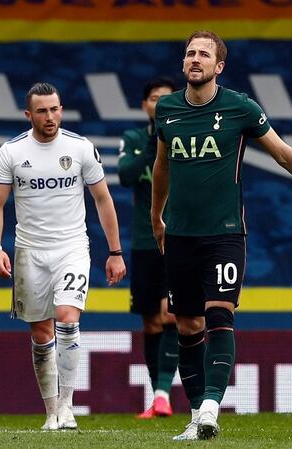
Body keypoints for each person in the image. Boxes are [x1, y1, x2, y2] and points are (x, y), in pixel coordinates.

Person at [151, 31, 292, 441]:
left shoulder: (239, 108)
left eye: (204, 54)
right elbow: (162, 166)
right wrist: (156, 217)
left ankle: (212, 405)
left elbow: (283, 153)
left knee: (219, 314)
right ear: (183, 64)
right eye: (190, 53)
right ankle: (196, 416)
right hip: (180, 234)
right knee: (186, 325)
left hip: (225, 233)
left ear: (219, 67)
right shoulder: (167, 109)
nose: (195, 59)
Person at [0, 82, 126, 431]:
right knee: (40, 331)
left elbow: (103, 199)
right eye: (43, 111)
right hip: (29, 252)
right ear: (28, 114)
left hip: (72, 249)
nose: (51, 117)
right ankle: (51, 412)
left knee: (66, 317)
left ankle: (67, 406)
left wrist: (115, 251)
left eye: (56, 109)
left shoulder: (80, 148)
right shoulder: (12, 152)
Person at [117, 76, 180, 419]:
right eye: (154, 98)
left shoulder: (187, 137)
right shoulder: (134, 139)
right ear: (145, 105)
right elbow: (125, 175)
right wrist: (155, 142)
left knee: (170, 313)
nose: (159, 103)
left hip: (179, 238)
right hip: (144, 240)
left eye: (165, 98)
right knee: (151, 322)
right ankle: (158, 398)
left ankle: (162, 394)